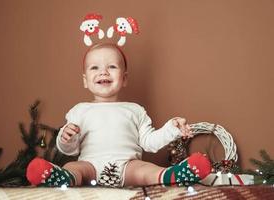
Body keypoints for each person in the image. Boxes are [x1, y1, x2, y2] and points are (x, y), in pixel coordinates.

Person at [26, 43, 211, 187]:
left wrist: (171, 129)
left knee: (147, 170)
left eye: (112, 66)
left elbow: (149, 142)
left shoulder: (135, 110)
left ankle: (173, 175)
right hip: (90, 166)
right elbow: (70, 150)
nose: (103, 72)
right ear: (85, 80)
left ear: (124, 78)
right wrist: (66, 139)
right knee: (73, 168)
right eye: (94, 68)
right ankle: (61, 177)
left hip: (128, 166)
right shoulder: (80, 110)